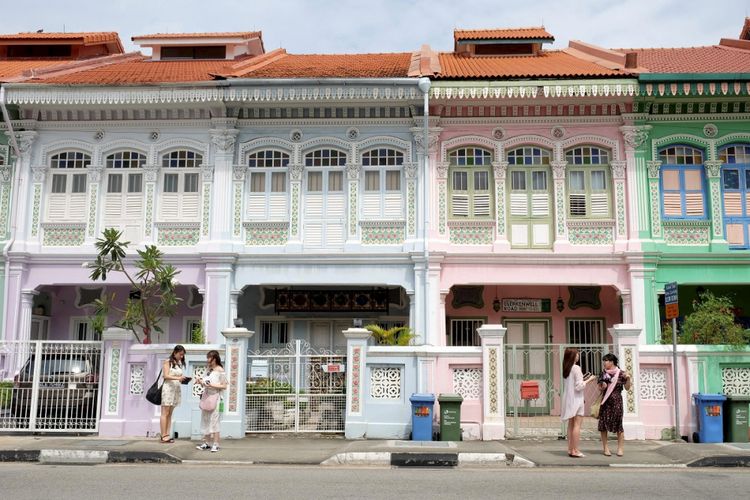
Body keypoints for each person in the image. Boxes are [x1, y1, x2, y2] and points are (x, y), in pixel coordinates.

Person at [561, 348, 596, 458]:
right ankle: (575, 450)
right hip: (577, 399)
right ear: (573, 356)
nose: (578, 356)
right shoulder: (576, 368)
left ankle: (570, 449)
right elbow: (579, 386)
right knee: (577, 425)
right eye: (576, 354)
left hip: (569, 399)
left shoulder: (567, 368)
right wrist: (589, 379)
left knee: (571, 425)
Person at [597, 353, 632, 456]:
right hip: (605, 401)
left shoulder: (621, 373)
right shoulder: (603, 373)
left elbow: (627, 388)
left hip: (617, 402)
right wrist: (602, 386)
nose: (604, 363)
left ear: (612, 362)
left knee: (618, 425)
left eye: (606, 361)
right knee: (603, 425)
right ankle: (605, 448)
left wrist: (628, 379)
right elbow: (600, 387)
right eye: (603, 360)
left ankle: (620, 449)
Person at [195, 350, 228, 453]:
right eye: (208, 357)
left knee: (214, 421)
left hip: (216, 396)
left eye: (210, 358)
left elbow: (224, 385)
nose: (208, 360)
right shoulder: (208, 369)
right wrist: (200, 382)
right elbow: (205, 381)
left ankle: (216, 444)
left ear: (215, 358)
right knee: (205, 419)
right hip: (207, 396)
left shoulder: (220, 370)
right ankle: (206, 443)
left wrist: (211, 385)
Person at [159, 345, 189, 443]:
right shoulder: (168, 362)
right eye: (180, 354)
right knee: (165, 412)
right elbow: (166, 376)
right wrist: (178, 378)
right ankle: (163, 435)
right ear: (175, 352)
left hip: (176, 390)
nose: (181, 356)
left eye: (183, 355)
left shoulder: (178, 363)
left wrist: (183, 379)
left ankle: (167, 434)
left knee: (170, 413)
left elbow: (178, 376)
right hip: (168, 389)